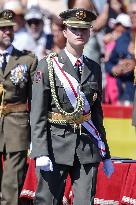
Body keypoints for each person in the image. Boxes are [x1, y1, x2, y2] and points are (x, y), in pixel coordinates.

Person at [31, 8, 114, 205]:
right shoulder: (47, 66)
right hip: (55, 146)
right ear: (65, 31)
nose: (79, 33)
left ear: (90, 32)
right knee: (47, 201)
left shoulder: (94, 67)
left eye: (84, 29)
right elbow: (38, 114)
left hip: (86, 147)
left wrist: (106, 154)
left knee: (85, 201)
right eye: (74, 29)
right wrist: (40, 151)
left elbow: (96, 114)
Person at [0, 9, 38, 205]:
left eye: (10, 28)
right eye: (2, 28)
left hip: (17, 123)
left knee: (12, 180)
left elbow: (37, 98)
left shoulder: (27, 60)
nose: (7, 32)